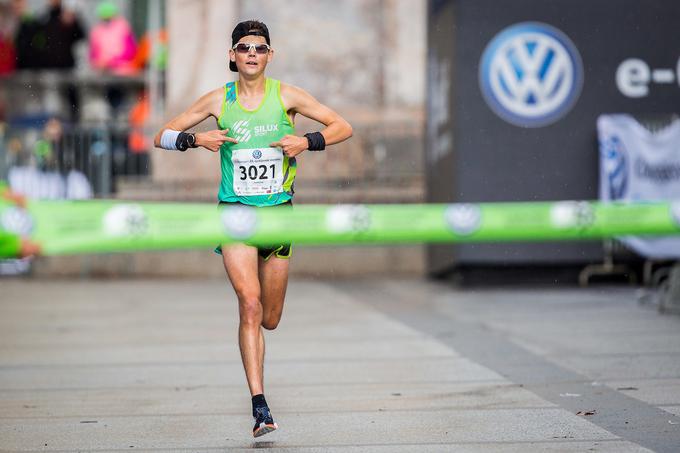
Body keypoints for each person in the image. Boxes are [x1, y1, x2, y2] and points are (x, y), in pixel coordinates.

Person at [153, 20, 352, 437]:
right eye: (244, 47)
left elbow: (343, 127)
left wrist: (307, 142)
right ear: (232, 55)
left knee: (271, 318)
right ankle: (260, 407)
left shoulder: (288, 96)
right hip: (236, 214)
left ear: (270, 56)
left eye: (260, 48)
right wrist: (196, 141)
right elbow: (161, 135)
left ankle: (260, 356)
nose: (252, 54)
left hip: (278, 214)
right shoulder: (217, 100)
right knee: (249, 303)